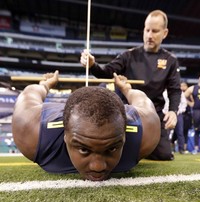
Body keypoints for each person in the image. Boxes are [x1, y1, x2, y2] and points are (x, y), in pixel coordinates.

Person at [12, 70, 161, 181]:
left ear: (124, 136)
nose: (98, 167)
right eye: (84, 149)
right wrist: (45, 84)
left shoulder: (146, 133)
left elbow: (140, 98)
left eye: (112, 148)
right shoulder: (30, 130)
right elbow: (30, 94)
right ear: (65, 136)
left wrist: (126, 88)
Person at [80, 10, 181, 160]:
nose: (149, 35)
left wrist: (173, 111)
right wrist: (93, 64)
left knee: (164, 155)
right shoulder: (129, 55)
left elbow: (175, 90)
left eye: (155, 31)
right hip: (129, 112)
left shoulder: (170, 60)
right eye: (147, 30)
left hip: (154, 113)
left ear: (165, 33)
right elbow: (106, 72)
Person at [163, 89, 187, 154]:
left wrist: (179, 111)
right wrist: (164, 112)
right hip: (165, 114)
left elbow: (184, 103)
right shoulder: (163, 92)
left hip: (177, 114)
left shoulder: (179, 92)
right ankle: (167, 149)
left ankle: (181, 149)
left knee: (180, 132)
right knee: (166, 132)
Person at [180, 81, 193, 153]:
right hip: (179, 114)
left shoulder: (190, 95)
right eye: (181, 86)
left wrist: (185, 100)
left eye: (184, 86)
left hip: (187, 115)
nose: (183, 87)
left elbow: (192, 104)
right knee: (177, 132)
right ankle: (172, 146)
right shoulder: (177, 94)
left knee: (185, 132)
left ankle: (184, 148)